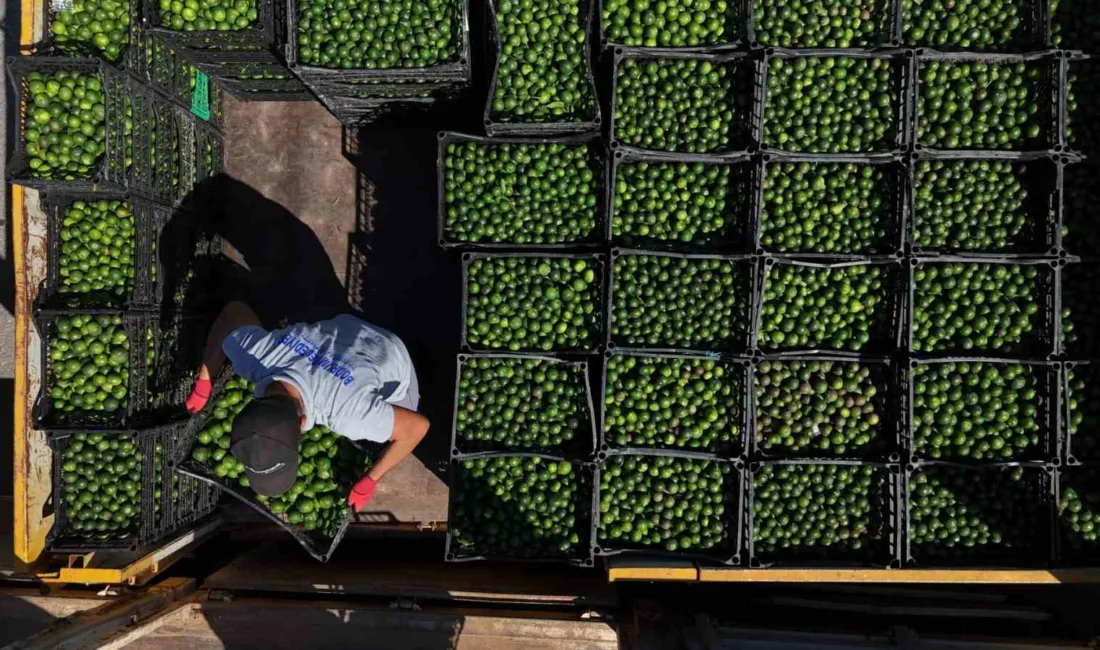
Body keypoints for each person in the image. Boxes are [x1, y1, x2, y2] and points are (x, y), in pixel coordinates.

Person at [185, 301, 430, 512]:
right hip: (346, 329)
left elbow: (417, 428)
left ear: (303, 424)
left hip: (392, 356)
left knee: (391, 429)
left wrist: (371, 479)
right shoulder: (256, 356)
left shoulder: (350, 415)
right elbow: (233, 312)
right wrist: (205, 379)